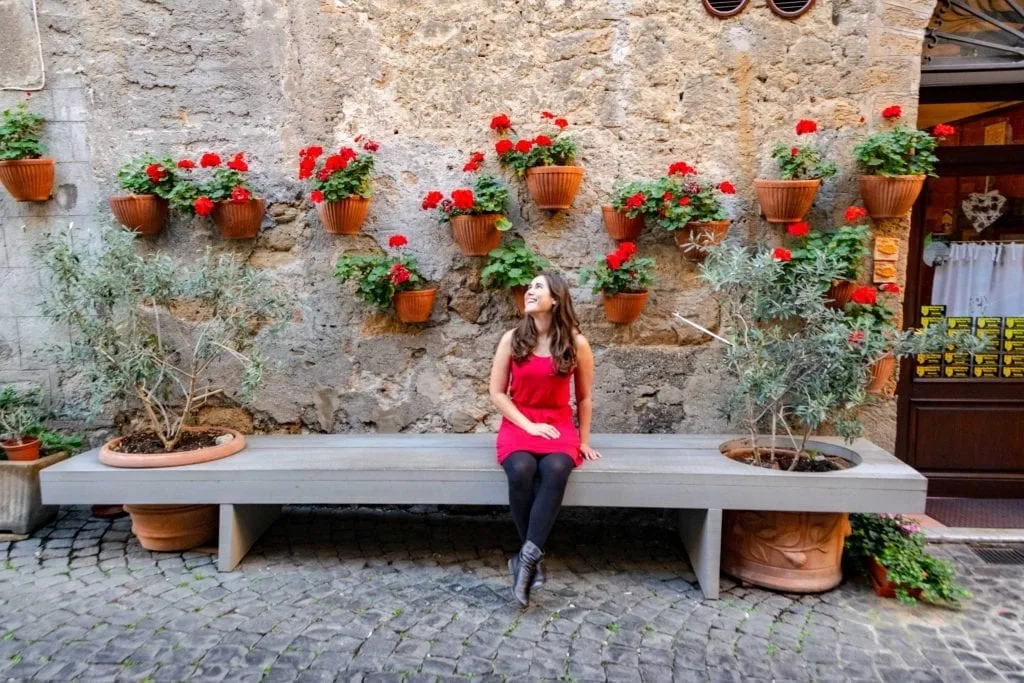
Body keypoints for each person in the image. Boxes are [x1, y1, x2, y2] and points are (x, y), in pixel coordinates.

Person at [488, 271, 601, 607]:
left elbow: (583, 398)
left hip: (558, 426)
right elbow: (496, 393)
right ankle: (531, 561)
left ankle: (523, 562)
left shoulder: (576, 343)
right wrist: (529, 426)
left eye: (538, 287)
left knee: (555, 469)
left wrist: (583, 440)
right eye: (529, 286)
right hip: (519, 424)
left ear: (556, 299)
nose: (530, 291)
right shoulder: (512, 339)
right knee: (521, 469)